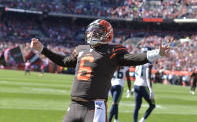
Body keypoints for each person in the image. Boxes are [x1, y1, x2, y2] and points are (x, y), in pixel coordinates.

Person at [30, 19, 170, 122]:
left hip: (95, 107)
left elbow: (132, 58)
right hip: (74, 104)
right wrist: (42, 49)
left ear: (108, 34)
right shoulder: (81, 49)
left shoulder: (112, 51)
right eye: (91, 32)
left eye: (96, 32)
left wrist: (156, 53)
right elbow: (63, 61)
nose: (92, 35)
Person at [133, 47, 155, 122]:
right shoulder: (149, 61)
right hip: (143, 85)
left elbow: (135, 74)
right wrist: (151, 90)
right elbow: (148, 76)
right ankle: (142, 120)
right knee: (152, 105)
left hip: (136, 85)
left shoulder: (138, 60)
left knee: (137, 107)